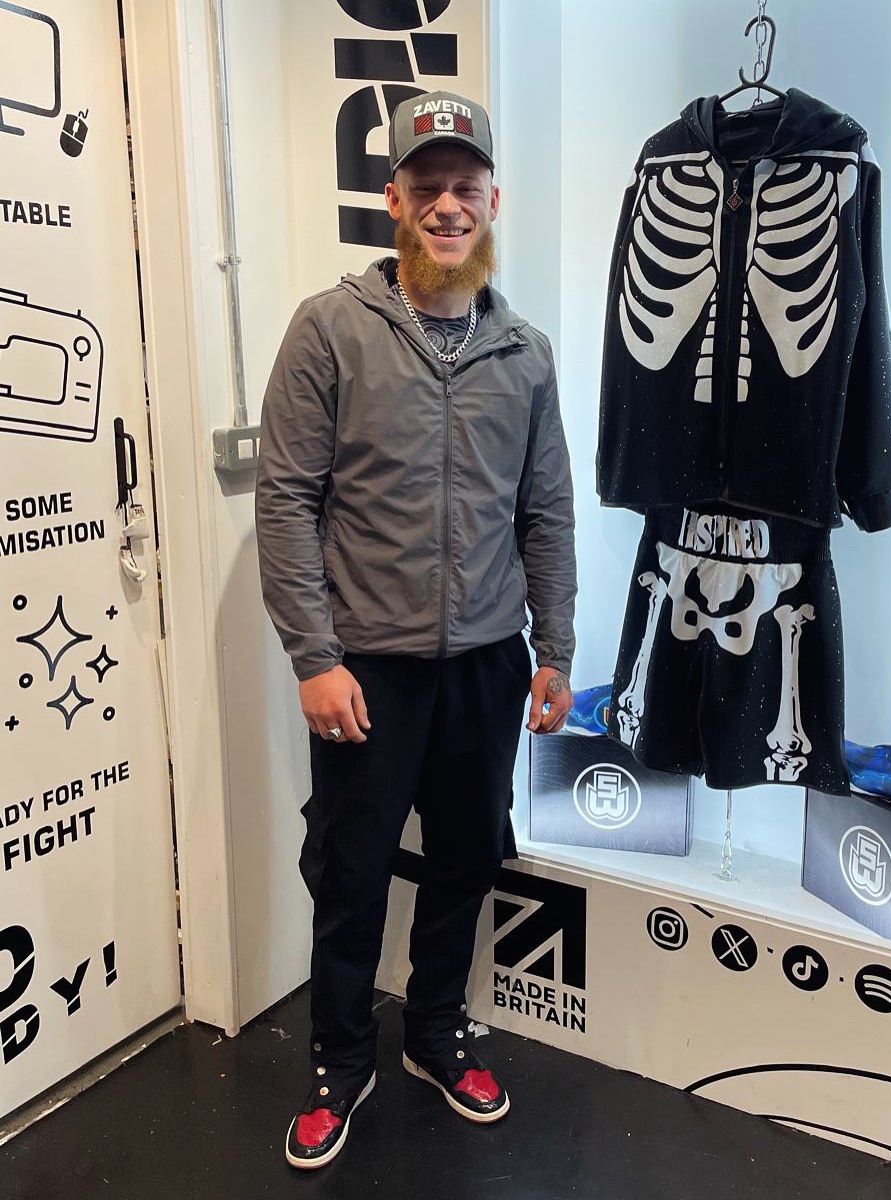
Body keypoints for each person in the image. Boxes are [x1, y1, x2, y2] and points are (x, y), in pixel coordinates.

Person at [255, 89, 577, 1170]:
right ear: (393, 199)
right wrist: (315, 657)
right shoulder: (330, 329)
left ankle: (435, 1033)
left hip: (488, 664)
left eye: (465, 186)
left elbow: (546, 511)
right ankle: (340, 1063)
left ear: (492, 199)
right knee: (350, 874)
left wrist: (557, 648)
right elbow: (286, 500)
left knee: (466, 861)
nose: (448, 205)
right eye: (427, 185)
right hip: (367, 672)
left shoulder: (524, 353)